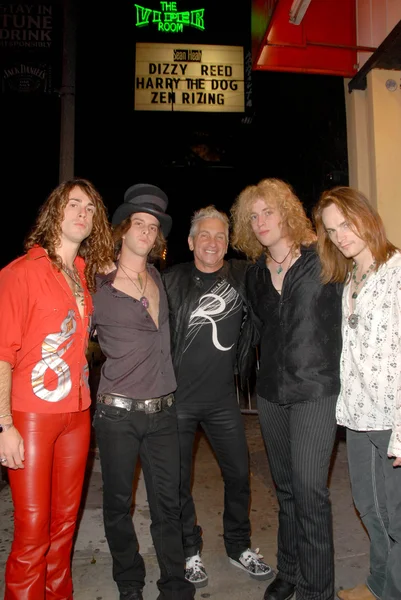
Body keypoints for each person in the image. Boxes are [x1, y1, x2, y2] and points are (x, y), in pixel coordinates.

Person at [0, 178, 114, 599]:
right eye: (73, 205)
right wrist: (3, 425)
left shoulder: (82, 277)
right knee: (33, 530)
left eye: (89, 208)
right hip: (31, 417)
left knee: (65, 526)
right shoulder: (20, 272)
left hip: (77, 415)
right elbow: (2, 353)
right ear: (54, 213)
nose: (82, 213)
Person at [231, 178, 342, 600]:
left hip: (317, 388)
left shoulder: (324, 258)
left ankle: (318, 590)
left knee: (310, 491)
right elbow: (252, 329)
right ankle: (291, 573)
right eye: (253, 216)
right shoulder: (255, 274)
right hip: (273, 393)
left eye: (268, 212)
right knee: (287, 491)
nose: (260, 222)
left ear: (287, 213)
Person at [92, 184, 195, 600]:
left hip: (163, 412)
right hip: (117, 414)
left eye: (154, 227)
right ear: (122, 229)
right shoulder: (96, 280)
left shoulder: (156, 276)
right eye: (139, 223)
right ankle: (129, 581)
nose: (147, 233)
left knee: (168, 504)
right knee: (119, 507)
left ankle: (174, 583)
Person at [162, 205, 273, 588]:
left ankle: (238, 545)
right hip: (178, 400)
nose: (212, 242)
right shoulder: (170, 280)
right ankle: (189, 550)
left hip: (223, 399)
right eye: (204, 235)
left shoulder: (242, 277)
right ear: (192, 242)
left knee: (239, 475)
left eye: (220, 236)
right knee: (177, 482)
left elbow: (279, 272)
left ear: (228, 244)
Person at [314, 186, 401, 600]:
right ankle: (379, 585)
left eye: (346, 224)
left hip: (391, 418)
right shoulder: (350, 278)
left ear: (366, 216)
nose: (341, 236)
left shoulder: (397, 272)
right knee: (370, 510)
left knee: (397, 518)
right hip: (358, 416)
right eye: (332, 230)